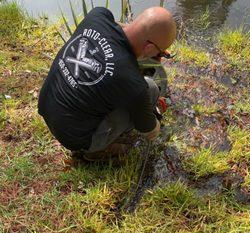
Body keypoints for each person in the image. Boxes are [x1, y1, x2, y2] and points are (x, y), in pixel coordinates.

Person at [38, 6, 176, 160]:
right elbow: (150, 131)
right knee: (150, 90)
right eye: (160, 52)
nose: (160, 55)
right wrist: (155, 118)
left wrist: (155, 51)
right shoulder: (132, 82)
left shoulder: (98, 15)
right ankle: (94, 151)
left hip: (47, 107)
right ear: (149, 47)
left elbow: (119, 34)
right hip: (76, 138)